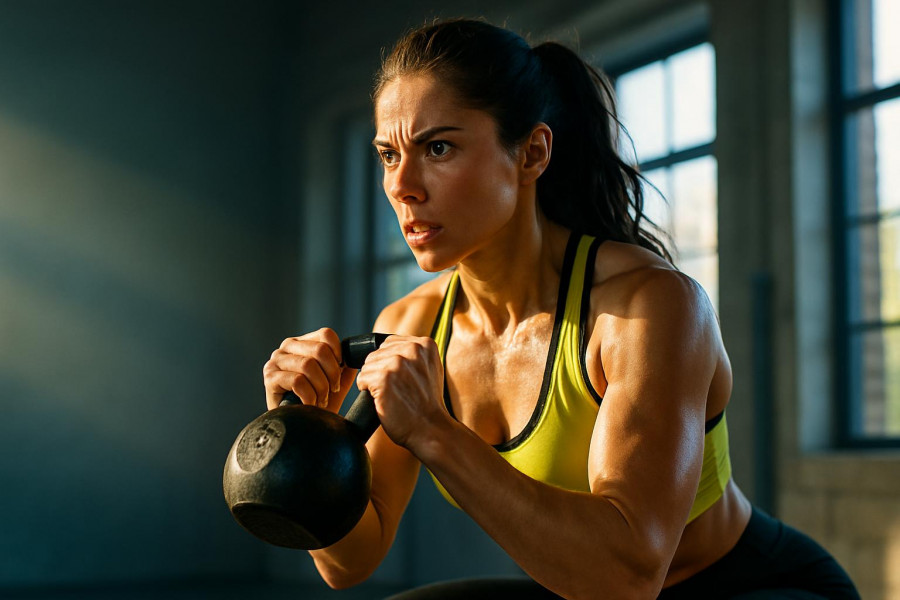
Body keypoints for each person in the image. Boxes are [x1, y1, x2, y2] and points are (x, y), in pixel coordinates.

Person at [263, 18, 859, 599]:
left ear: (531, 153)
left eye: (438, 147)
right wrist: (311, 440)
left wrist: (436, 432)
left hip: (747, 585)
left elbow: (629, 577)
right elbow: (352, 563)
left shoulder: (646, 308)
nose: (402, 185)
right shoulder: (411, 328)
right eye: (388, 155)